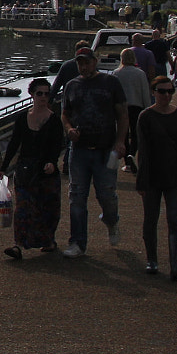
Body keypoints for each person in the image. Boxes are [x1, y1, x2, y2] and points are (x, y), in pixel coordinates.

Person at [59, 49, 128, 257]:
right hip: (79, 151)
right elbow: (65, 114)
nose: (83, 67)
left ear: (95, 62)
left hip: (104, 150)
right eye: (80, 63)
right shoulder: (72, 86)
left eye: (87, 62)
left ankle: (111, 220)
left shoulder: (111, 83)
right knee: (77, 197)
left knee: (106, 194)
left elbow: (123, 114)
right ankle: (77, 242)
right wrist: (69, 129)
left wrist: (120, 141)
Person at [0, 77, 64, 260]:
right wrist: (3, 167)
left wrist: (52, 161)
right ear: (32, 95)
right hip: (26, 170)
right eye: (39, 93)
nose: (43, 97)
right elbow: (14, 144)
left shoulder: (54, 121)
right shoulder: (22, 118)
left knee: (47, 208)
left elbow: (57, 144)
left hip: (46, 172)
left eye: (47, 94)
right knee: (23, 208)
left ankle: (49, 241)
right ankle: (18, 245)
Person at [136, 76, 177, 280]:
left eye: (170, 91)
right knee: (150, 219)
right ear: (154, 92)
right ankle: (152, 260)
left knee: (175, 220)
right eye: (162, 91)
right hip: (152, 176)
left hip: (176, 174)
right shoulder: (146, 117)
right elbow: (142, 151)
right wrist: (141, 180)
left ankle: (175, 264)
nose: (166, 95)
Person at [111, 48, 152, 174]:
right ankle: (133, 155)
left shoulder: (116, 73)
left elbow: (112, 93)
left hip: (121, 108)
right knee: (136, 133)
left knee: (122, 134)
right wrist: (148, 108)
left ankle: (127, 161)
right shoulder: (140, 73)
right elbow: (145, 92)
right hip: (137, 106)